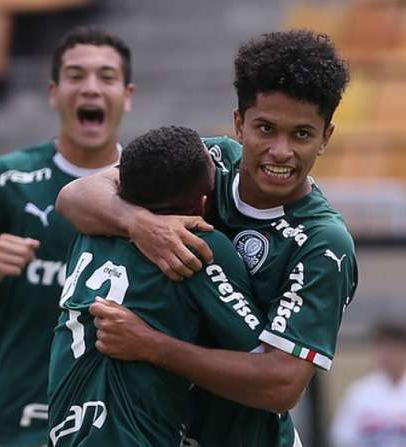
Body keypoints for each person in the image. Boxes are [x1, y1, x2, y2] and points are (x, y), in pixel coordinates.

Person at [57, 30, 358, 446]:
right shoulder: (210, 161)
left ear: (326, 137)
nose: (280, 151)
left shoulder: (324, 243)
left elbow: (281, 384)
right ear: (239, 123)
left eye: (302, 135)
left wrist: (152, 346)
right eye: (265, 128)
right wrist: (139, 223)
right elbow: (76, 195)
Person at [0, 26, 152, 447]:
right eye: (76, 76)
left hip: (118, 425)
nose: (91, 89)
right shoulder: (9, 178)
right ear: (53, 92)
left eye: (107, 77)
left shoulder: (153, 188)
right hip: (15, 424)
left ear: (128, 95)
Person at [47, 125, 265, 446]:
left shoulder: (89, 229)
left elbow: (71, 195)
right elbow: (262, 372)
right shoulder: (198, 247)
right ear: (200, 205)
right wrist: (155, 346)